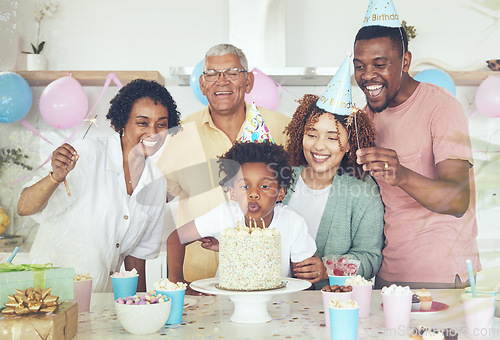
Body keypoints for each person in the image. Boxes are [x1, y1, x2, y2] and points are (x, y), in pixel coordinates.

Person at [18, 79, 182, 292]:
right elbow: (24, 207)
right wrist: (55, 177)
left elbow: (136, 259)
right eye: (142, 122)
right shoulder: (87, 154)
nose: (153, 132)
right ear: (123, 122)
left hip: (98, 301)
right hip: (49, 295)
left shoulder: (156, 182)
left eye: (161, 124)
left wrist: (138, 308)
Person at [353, 24, 481, 288]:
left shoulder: (441, 107)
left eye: (379, 65)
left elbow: (457, 199)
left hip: (441, 274)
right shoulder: (364, 118)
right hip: (387, 274)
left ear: (405, 61)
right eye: (359, 66)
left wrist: (401, 174)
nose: (367, 76)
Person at [156, 43, 291, 283]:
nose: (222, 81)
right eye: (212, 74)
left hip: (266, 276)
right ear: (202, 84)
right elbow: (157, 197)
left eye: (232, 73)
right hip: (198, 280)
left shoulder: (282, 128)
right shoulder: (179, 135)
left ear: (248, 81)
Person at [282, 54, 385, 290]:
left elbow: (370, 257)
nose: (319, 146)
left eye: (333, 138)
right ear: (301, 136)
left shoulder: (362, 190)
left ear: (350, 144)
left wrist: (328, 268)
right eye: (312, 134)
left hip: (328, 302)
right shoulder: (283, 177)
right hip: (273, 299)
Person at [167, 141, 317, 295]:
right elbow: (175, 238)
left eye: (264, 186)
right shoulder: (224, 215)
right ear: (232, 192)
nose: (253, 194)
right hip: (226, 303)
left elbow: (305, 282)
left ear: (281, 192)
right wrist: (178, 282)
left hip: (276, 305)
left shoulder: (292, 222)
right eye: (245, 187)